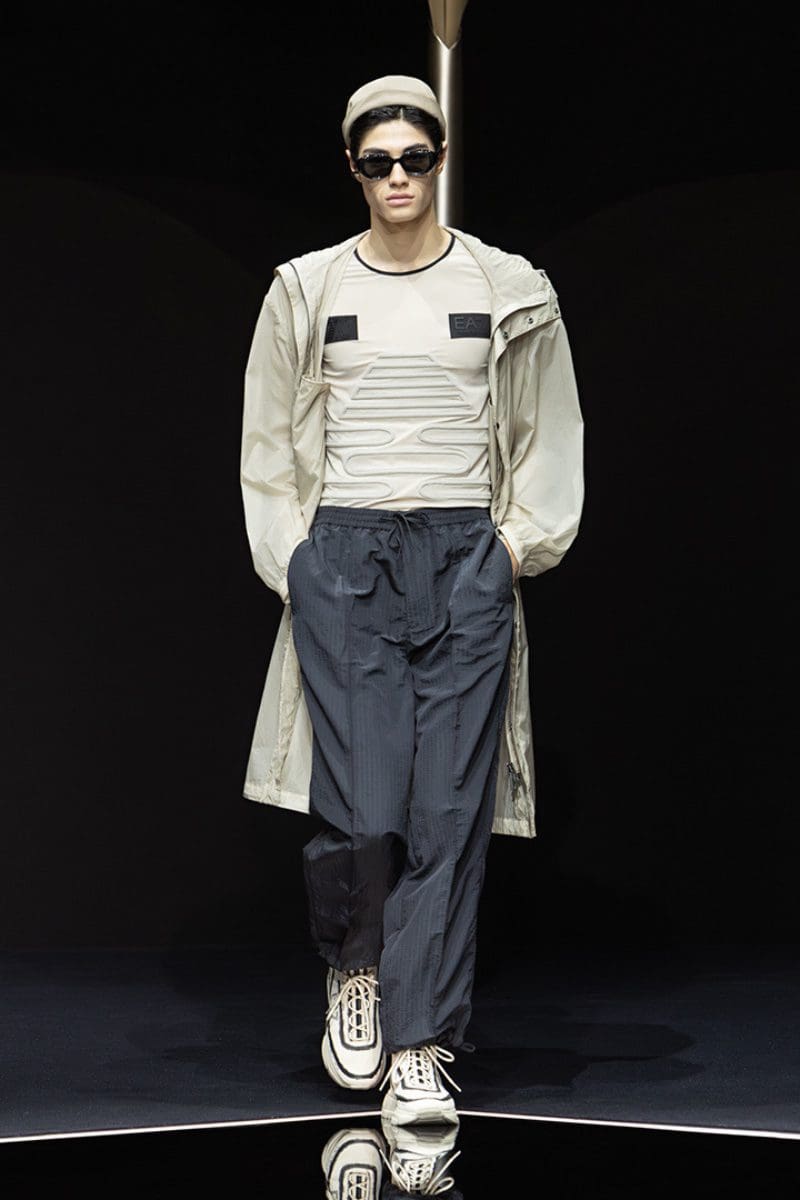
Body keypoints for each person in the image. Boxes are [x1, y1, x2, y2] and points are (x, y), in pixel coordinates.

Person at [239, 74, 584, 1127]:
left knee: (448, 811)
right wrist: (296, 562)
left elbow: (549, 427)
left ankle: (419, 1043)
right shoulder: (306, 287)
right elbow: (267, 439)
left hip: (463, 554)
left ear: (439, 159)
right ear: (352, 168)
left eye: (415, 158)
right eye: (378, 161)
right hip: (346, 556)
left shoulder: (508, 286)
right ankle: (356, 966)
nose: (398, 176)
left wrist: (514, 547)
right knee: (363, 801)